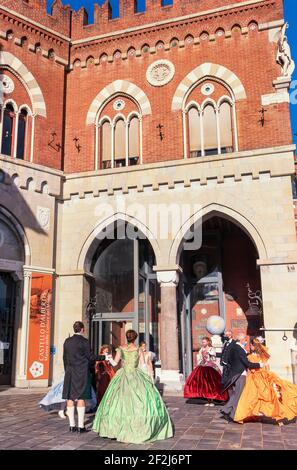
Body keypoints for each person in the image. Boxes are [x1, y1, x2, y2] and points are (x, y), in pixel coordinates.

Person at [92, 329, 173, 444]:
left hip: (123, 374)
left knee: (119, 400)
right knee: (139, 400)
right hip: (136, 375)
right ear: (135, 338)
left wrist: (108, 357)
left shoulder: (120, 348)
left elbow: (115, 364)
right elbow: (142, 365)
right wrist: (147, 378)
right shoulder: (138, 349)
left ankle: (115, 428)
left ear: (126, 337)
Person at [234, 337, 297, 425]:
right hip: (260, 377)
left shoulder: (251, 356)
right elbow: (264, 367)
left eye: (251, 345)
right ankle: (260, 415)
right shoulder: (260, 356)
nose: (250, 346)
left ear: (253, 346)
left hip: (257, 378)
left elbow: (252, 368)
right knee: (260, 397)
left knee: (257, 397)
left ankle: (277, 416)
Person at [62, 321, 101, 433]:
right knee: (81, 398)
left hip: (70, 372)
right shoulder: (85, 341)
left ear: (74, 329)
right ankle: (81, 426)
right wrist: (103, 357)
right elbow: (91, 357)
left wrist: (67, 371)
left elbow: (64, 358)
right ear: (82, 329)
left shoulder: (67, 341)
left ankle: (71, 425)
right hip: (82, 372)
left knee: (70, 398)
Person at [220, 332, 262, 422]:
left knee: (236, 394)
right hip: (240, 374)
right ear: (242, 340)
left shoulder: (233, 347)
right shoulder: (239, 349)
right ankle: (227, 410)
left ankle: (232, 413)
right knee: (238, 395)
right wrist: (259, 364)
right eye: (245, 340)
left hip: (234, 373)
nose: (246, 341)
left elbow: (228, 360)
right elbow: (247, 363)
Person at [184, 337, 228, 405]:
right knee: (204, 384)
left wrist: (210, 355)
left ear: (208, 342)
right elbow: (200, 358)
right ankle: (207, 399)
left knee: (212, 384)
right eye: (202, 342)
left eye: (204, 342)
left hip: (210, 366)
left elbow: (213, 359)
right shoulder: (202, 349)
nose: (203, 343)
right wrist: (199, 363)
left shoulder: (211, 349)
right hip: (203, 366)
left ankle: (212, 400)